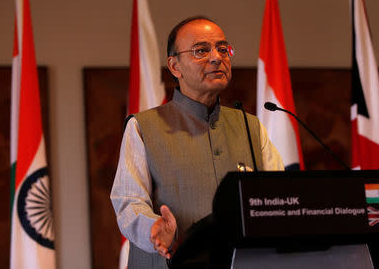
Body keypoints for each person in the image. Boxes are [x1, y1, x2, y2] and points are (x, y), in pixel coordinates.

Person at [110, 16, 284, 268]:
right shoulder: (143, 127)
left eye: (223, 49)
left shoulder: (251, 127)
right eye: (201, 50)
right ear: (174, 66)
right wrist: (155, 227)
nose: (217, 57)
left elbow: (277, 198)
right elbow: (129, 202)